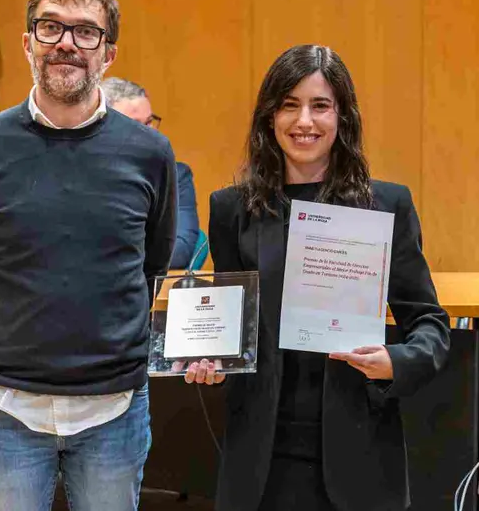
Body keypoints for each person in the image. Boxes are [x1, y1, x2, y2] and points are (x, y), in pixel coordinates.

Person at [0, 0, 176, 511]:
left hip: (114, 410)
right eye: (50, 27)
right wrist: (3, 346)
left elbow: (151, 263)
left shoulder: (150, 154)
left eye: (85, 31)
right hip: (4, 411)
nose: (66, 42)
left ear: (108, 54)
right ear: (27, 43)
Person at [186, 44, 450, 511]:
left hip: (359, 452)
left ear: (343, 117)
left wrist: (396, 361)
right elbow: (231, 325)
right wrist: (210, 360)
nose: (303, 121)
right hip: (260, 458)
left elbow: (429, 323)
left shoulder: (385, 205)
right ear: (269, 117)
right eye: (289, 105)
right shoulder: (232, 209)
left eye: (320, 106)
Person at [103, 77, 201, 269]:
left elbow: (179, 250)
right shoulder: (83, 175)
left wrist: (113, 259)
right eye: (134, 125)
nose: (148, 134)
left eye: (149, 122)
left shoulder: (176, 175)